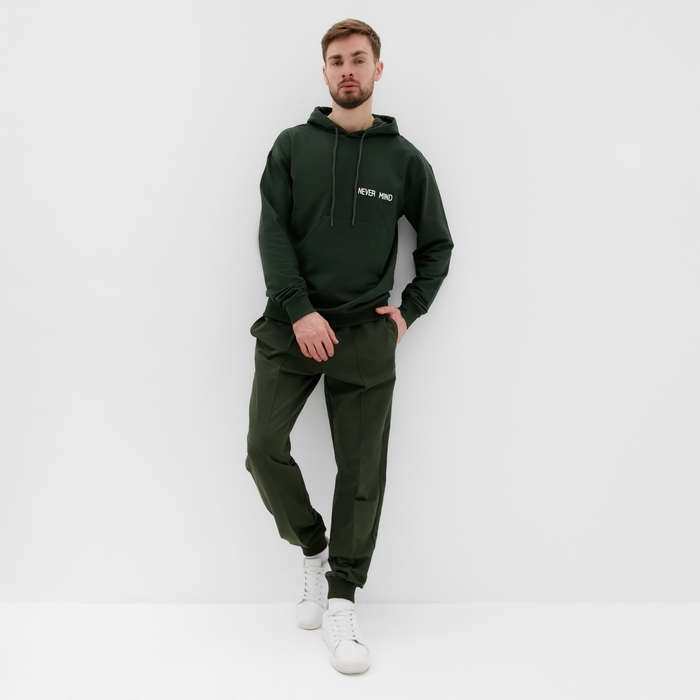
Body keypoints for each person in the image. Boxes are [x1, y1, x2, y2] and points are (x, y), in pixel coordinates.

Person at [245, 18, 453, 674]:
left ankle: (341, 598)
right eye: (337, 61)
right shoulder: (292, 146)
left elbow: (437, 246)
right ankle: (312, 546)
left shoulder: (405, 160)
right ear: (325, 71)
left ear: (377, 69)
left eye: (359, 59)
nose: (348, 71)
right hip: (292, 328)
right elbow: (272, 233)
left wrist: (407, 314)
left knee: (362, 474)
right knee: (262, 449)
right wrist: (300, 310)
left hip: (365, 337)